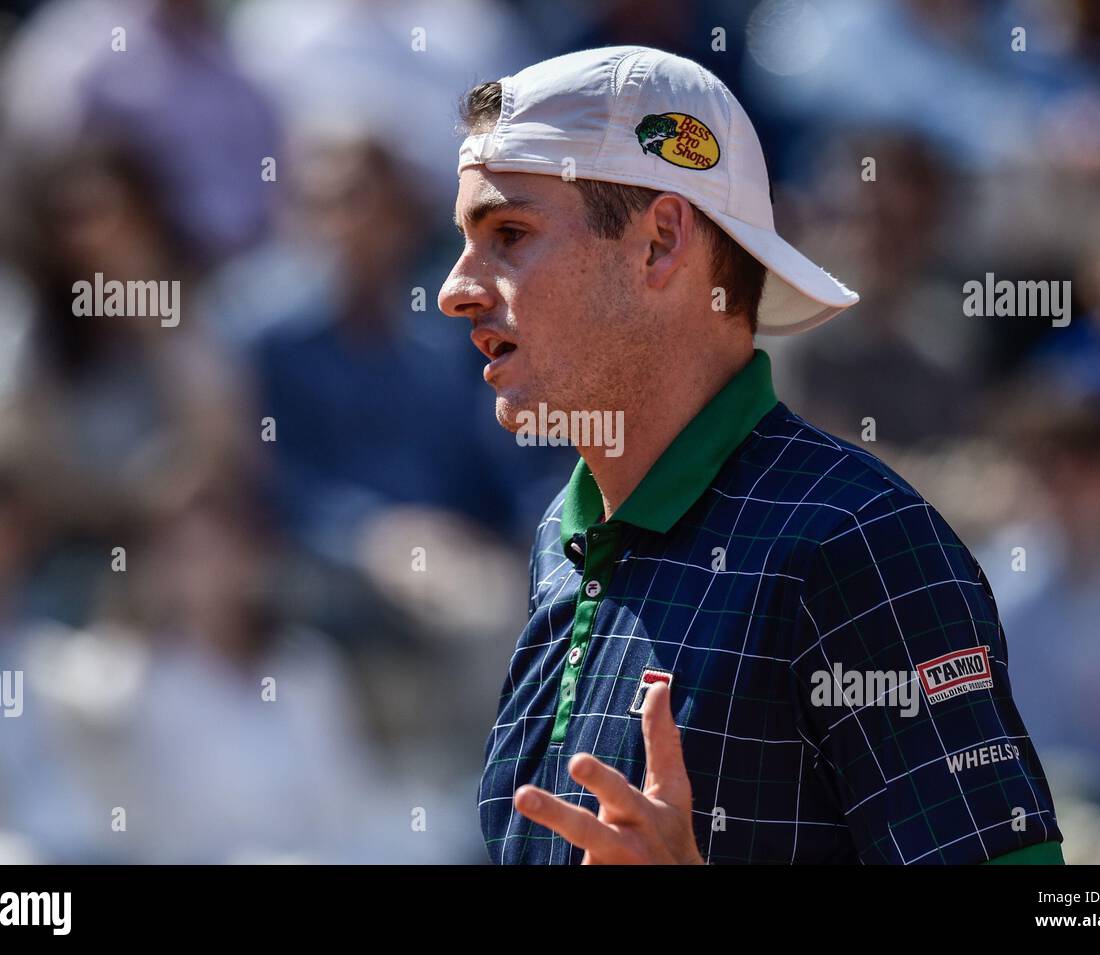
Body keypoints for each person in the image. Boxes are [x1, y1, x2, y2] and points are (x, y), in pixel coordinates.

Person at [437, 46, 1063, 865]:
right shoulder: (563, 535)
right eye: (466, 239)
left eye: (509, 233)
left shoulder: (863, 545)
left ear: (661, 242)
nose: (455, 288)